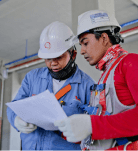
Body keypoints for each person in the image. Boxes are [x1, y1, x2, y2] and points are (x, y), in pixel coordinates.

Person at [54, 10, 138, 151]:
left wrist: (92, 125)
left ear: (104, 38)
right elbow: (105, 119)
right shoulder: (106, 75)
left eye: (85, 43)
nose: (81, 51)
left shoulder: (132, 63)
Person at [6, 21, 95, 151]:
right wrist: (16, 120)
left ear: (73, 55)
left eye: (58, 57)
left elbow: (96, 126)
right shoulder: (32, 78)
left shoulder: (87, 86)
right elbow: (14, 106)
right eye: (48, 59)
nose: (53, 63)